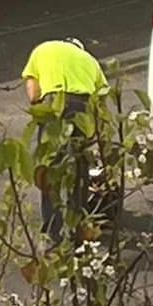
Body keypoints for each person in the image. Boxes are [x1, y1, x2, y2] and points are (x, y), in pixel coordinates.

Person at [21, 38, 110, 240]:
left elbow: (34, 91)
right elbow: (101, 104)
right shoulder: (91, 61)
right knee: (80, 171)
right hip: (84, 108)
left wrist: (39, 111)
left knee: (50, 169)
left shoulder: (42, 48)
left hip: (54, 105)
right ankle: (78, 228)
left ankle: (53, 231)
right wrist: (98, 138)